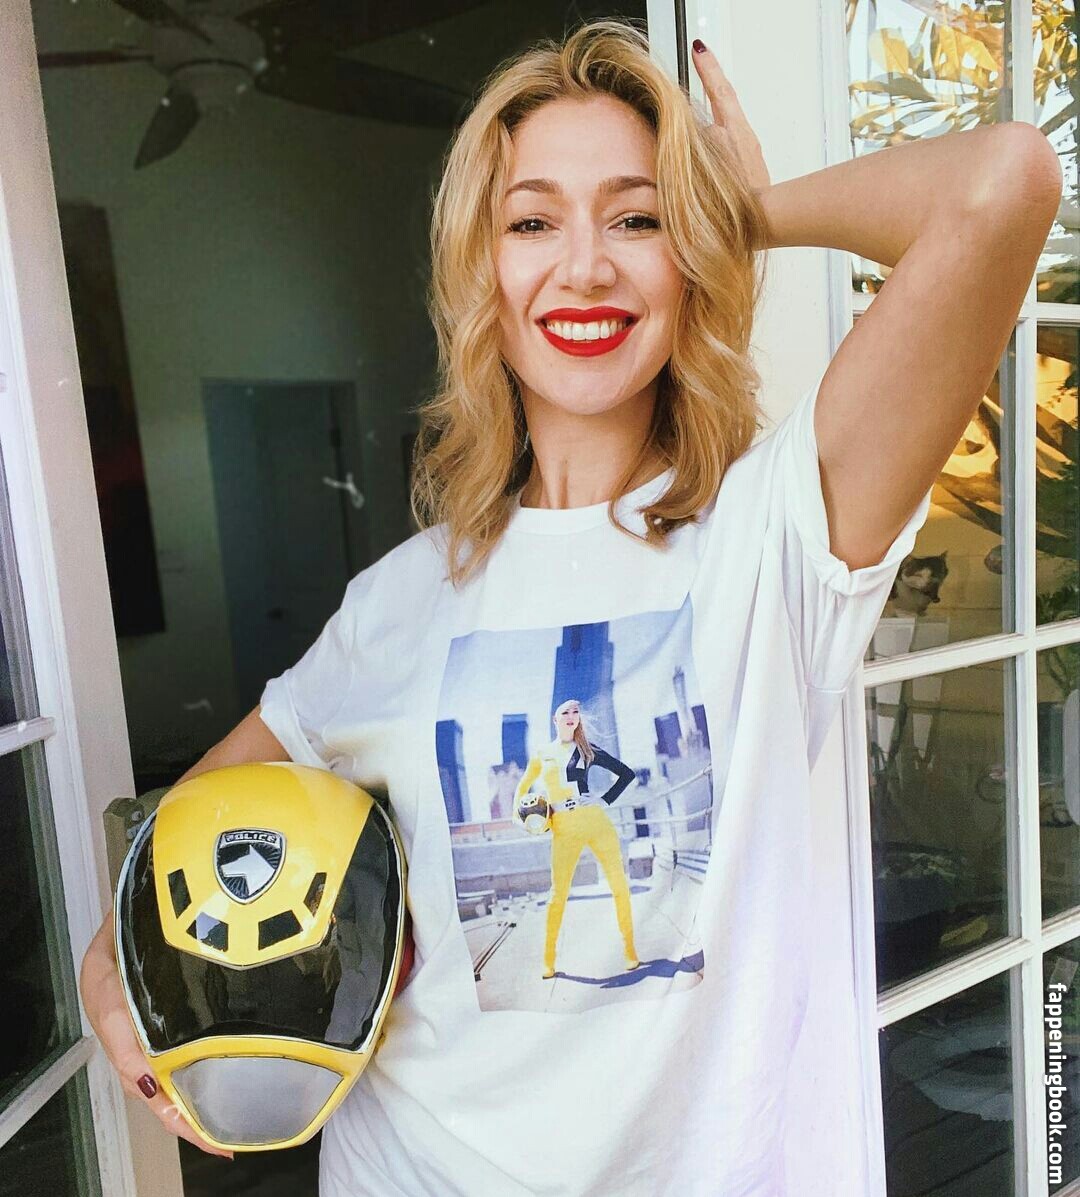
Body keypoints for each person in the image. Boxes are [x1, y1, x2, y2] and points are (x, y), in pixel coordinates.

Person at [79, 16, 1061, 1196]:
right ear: (480, 269)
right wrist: (111, 960)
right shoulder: (399, 600)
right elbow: (187, 823)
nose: (585, 266)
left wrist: (744, 212)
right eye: (533, 222)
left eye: (637, 219)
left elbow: (1002, 183)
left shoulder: (779, 532)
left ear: (688, 252)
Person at [514, 697, 640, 978]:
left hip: (595, 822)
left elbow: (626, 774)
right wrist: (517, 817)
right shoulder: (542, 753)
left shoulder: (586, 749)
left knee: (619, 885)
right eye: (565, 712)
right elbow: (522, 787)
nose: (571, 715)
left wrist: (603, 799)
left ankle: (630, 950)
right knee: (557, 895)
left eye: (575, 712)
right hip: (563, 829)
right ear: (555, 719)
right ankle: (548, 961)